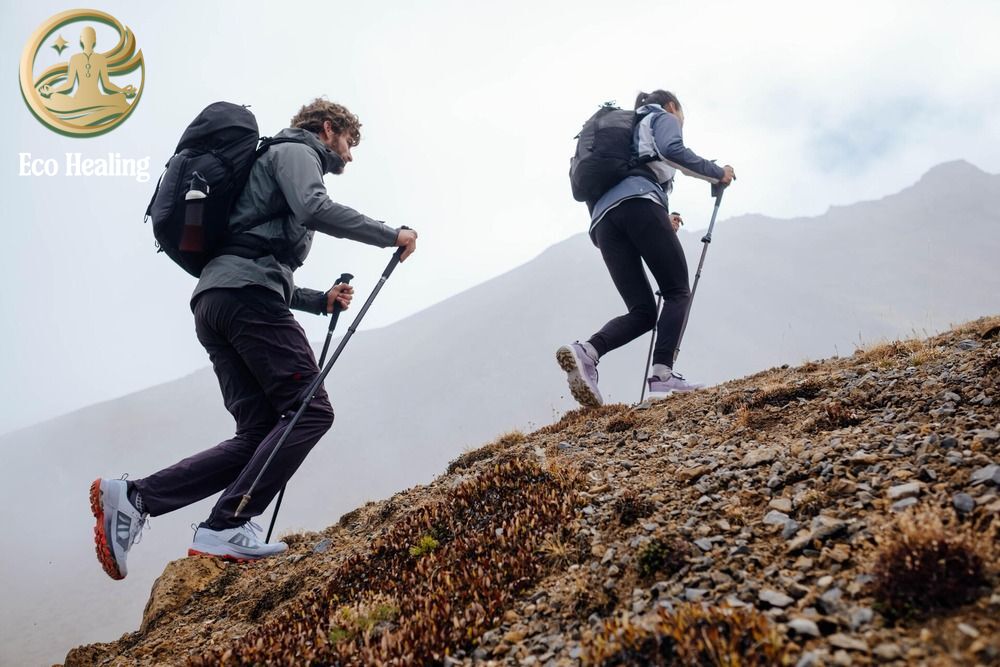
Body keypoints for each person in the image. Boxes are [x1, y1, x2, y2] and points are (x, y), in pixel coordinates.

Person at [90, 98, 418, 579]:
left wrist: (316, 299)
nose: (349, 155)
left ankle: (137, 497)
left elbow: (255, 248)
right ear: (328, 129)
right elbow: (314, 208)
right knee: (310, 409)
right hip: (246, 298)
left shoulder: (270, 163)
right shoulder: (296, 152)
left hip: (218, 301)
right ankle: (227, 524)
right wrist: (390, 234)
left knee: (260, 432)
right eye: (349, 142)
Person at [558, 89, 734, 407]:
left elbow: (631, 183)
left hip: (604, 224)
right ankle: (663, 377)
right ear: (672, 106)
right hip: (639, 205)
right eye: (681, 115)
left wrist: (661, 221)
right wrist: (716, 172)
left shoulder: (625, 138)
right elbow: (672, 150)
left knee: (642, 311)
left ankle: (587, 352)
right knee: (677, 290)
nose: (680, 121)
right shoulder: (660, 116)